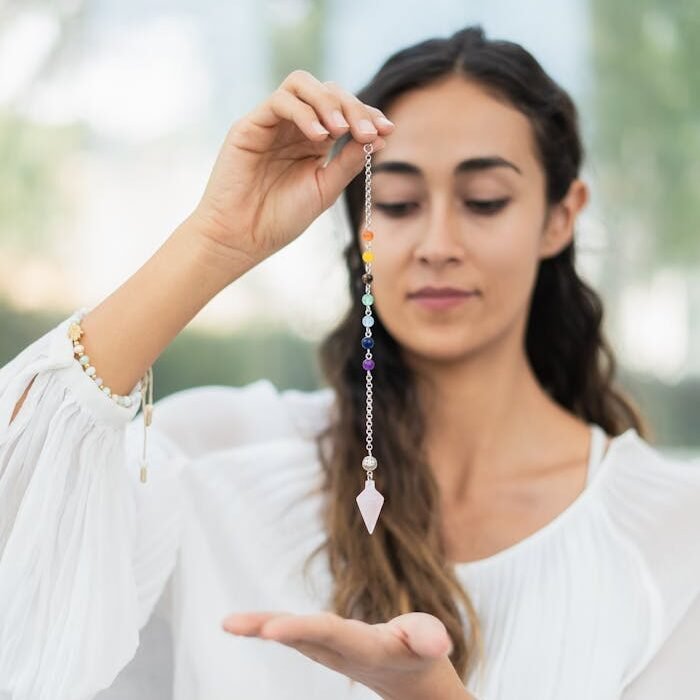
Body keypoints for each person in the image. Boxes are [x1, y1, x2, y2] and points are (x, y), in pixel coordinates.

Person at [0, 24, 698, 700]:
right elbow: (19, 493)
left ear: (561, 215)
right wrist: (215, 241)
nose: (436, 242)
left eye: (484, 201)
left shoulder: (670, 536)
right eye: (395, 203)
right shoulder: (225, 458)